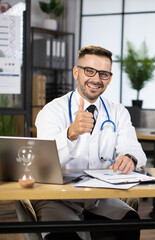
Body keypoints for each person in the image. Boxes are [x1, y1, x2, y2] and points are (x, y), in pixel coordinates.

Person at [33, 45, 147, 240]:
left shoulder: (117, 112)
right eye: (89, 71)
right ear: (76, 72)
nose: (96, 79)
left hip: (98, 198)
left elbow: (133, 147)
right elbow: (43, 163)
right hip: (58, 198)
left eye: (103, 74)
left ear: (110, 79)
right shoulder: (52, 110)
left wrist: (129, 157)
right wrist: (70, 133)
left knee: (129, 223)